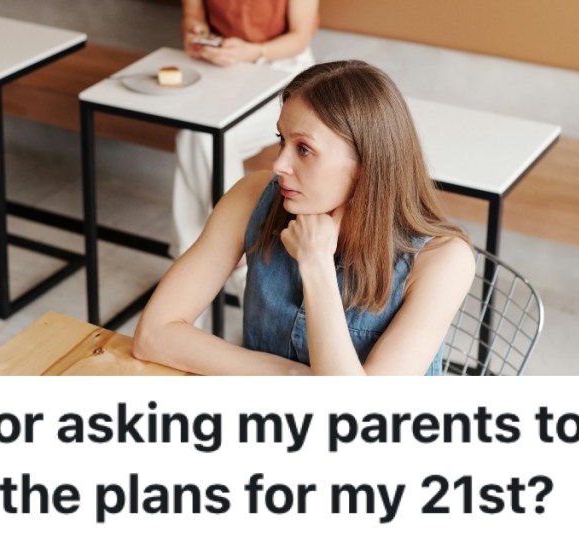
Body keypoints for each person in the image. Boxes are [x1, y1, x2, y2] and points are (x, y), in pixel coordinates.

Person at [135, 60, 476, 375]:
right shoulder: (253, 196)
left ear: (366, 166)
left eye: (304, 149)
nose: (279, 165)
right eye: (281, 140)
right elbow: (153, 334)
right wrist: (292, 377)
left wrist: (316, 264)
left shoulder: (444, 260)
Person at [173, 0, 318, 266]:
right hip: (222, 70)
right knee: (194, 134)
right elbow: (192, 14)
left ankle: (204, 257)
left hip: (284, 74)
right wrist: (199, 35)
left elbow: (300, 35)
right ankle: (232, 255)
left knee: (203, 136)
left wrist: (252, 51)